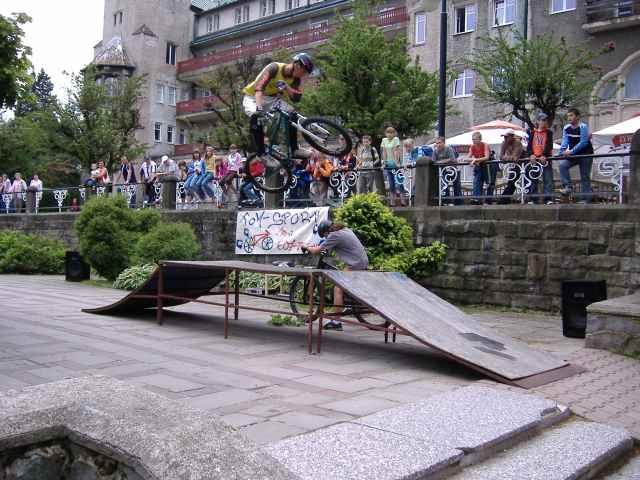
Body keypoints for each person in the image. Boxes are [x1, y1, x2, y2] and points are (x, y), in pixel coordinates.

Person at [243, 52, 315, 162]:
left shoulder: (295, 79)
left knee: (292, 113)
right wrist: (259, 108)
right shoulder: (274, 68)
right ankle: (261, 153)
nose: (303, 75)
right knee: (256, 115)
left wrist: (287, 87)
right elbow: (259, 89)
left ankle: (294, 149)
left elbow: (296, 98)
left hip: (271, 100)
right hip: (253, 97)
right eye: (304, 72)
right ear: (297, 65)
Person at [303, 220, 369, 331]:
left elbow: (317, 251)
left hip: (355, 264)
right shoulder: (345, 230)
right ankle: (344, 306)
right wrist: (320, 249)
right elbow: (325, 251)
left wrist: (306, 247)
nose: (325, 237)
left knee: (337, 288)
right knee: (342, 283)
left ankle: (336, 322)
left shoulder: (334, 235)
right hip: (361, 262)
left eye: (324, 235)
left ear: (326, 231)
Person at [559, 108, 594, 203]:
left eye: (571, 115)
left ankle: (585, 199)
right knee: (562, 165)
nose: (569, 118)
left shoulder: (583, 126)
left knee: (585, 176)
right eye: (568, 116)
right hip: (574, 154)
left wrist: (571, 152)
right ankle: (568, 187)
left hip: (586, 154)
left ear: (577, 117)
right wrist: (561, 151)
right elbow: (565, 140)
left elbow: (583, 142)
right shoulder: (566, 128)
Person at [525, 115, 555, 205]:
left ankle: (548, 198)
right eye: (543, 120)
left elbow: (549, 145)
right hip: (534, 159)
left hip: (545, 159)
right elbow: (529, 145)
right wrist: (531, 155)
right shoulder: (532, 132)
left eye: (546, 120)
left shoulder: (549, 132)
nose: (544, 122)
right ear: (538, 121)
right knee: (533, 178)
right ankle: (534, 199)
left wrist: (544, 155)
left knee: (548, 179)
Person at [432, 136, 463, 206]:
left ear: (444, 143)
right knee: (444, 184)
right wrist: (444, 161)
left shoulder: (449, 149)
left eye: (439, 143)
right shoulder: (435, 151)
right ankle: (446, 201)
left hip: (453, 169)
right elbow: (433, 162)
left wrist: (442, 161)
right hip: (443, 171)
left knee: (457, 185)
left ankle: (459, 202)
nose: (438, 145)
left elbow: (453, 160)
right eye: (436, 143)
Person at [498, 129, 524, 204]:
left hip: (522, 164)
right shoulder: (504, 143)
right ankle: (504, 199)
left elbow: (514, 156)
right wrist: (507, 157)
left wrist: (507, 157)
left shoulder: (517, 143)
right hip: (514, 165)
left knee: (522, 182)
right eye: (504, 137)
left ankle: (504, 199)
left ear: (512, 137)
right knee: (511, 182)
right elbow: (501, 157)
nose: (505, 138)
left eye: (507, 137)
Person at [466, 131, 491, 204]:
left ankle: (488, 200)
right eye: (473, 139)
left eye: (475, 139)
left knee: (489, 183)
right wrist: (474, 160)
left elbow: (487, 157)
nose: (474, 141)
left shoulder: (485, 145)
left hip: (487, 165)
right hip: (479, 166)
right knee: (476, 182)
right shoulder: (472, 147)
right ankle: (476, 199)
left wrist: (475, 160)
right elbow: (467, 158)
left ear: (480, 139)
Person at [381, 126, 402, 206]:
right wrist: (384, 163)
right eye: (388, 133)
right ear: (386, 133)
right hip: (388, 164)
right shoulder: (384, 140)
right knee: (391, 183)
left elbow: (396, 151)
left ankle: (402, 200)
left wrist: (397, 162)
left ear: (394, 133)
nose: (390, 134)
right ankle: (392, 201)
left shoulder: (396, 139)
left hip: (395, 162)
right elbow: (384, 152)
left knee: (399, 182)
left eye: (392, 133)